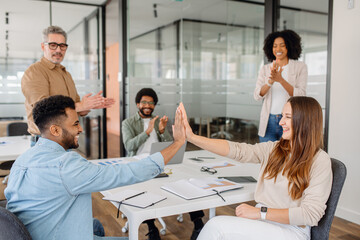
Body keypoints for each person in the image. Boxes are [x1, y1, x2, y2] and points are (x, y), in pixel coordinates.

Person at [5, 95, 185, 240]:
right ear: (55, 130)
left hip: (33, 232)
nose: (81, 129)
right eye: (75, 123)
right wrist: (177, 143)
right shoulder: (65, 166)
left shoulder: (23, 160)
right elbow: (126, 173)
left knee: (96, 225)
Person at [178, 96, 332, 240]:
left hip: (291, 230)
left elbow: (310, 215)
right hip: (263, 221)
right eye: (282, 116)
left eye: (288, 117)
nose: (280, 122)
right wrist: (192, 137)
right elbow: (238, 150)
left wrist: (260, 212)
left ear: (305, 121)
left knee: (216, 226)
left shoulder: (319, 161)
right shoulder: (275, 149)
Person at [122, 88, 204, 240]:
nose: (147, 105)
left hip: (160, 163)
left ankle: (198, 223)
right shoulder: (128, 123)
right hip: (139, 164)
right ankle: (152, 228)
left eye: (151, 103)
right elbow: (129, 146)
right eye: (144, 102)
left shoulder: (159, 121)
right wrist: (147, 132)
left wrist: (161, 131)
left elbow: (170, 146)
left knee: (185, 182)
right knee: (144, 189)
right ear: (137, 104)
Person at [21, 25, 115, 146]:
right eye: (53, 45)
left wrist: (89, 105)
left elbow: (76, 106)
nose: (58, 50)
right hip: (46, 142)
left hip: (67, 139)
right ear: (43, 46)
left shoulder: (66, 74)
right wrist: (80, 106)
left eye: (62, 46)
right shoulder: (35, 71)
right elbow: (42, 110)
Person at [254, 29, 308, 142]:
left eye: (282, 45)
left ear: (289, 46)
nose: (278, 49)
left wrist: (280, 80)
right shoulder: (265, 69)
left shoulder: (300, 67)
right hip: (269, 121)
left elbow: (301, 95)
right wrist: (270, 82)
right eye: (275, 46)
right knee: (267, 157)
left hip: (291, 120)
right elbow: (257, 95)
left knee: (289, 157)